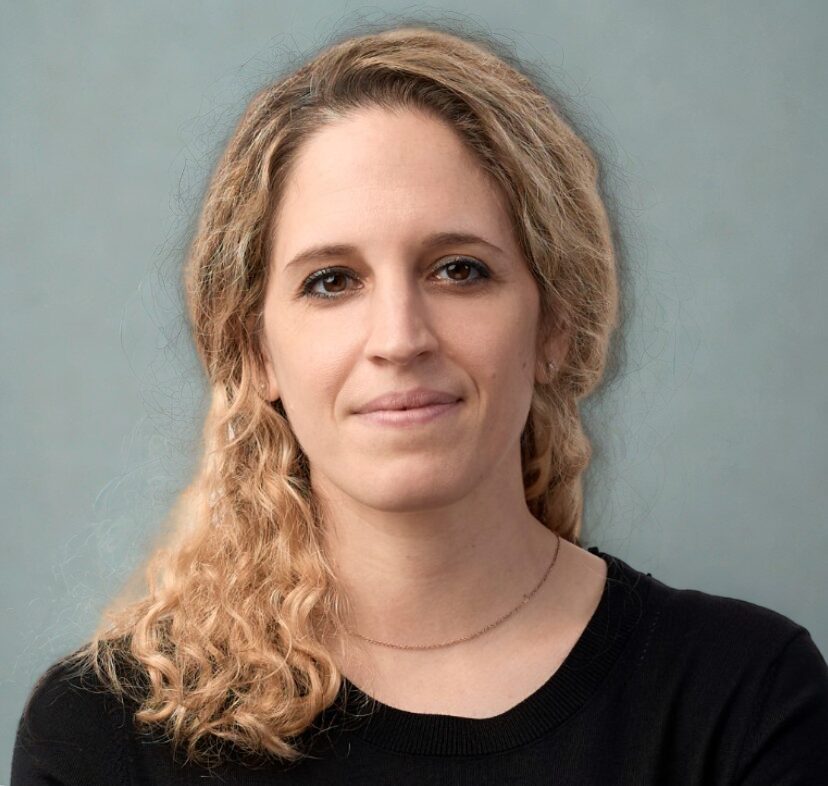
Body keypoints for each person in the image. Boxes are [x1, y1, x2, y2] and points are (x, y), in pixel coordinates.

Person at [11, 22, 828, 785]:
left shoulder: (743, 696)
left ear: (557, 322)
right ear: (256, 350)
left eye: (459, 269)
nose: (399, 337)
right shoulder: (107, 735)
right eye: (332, 282)